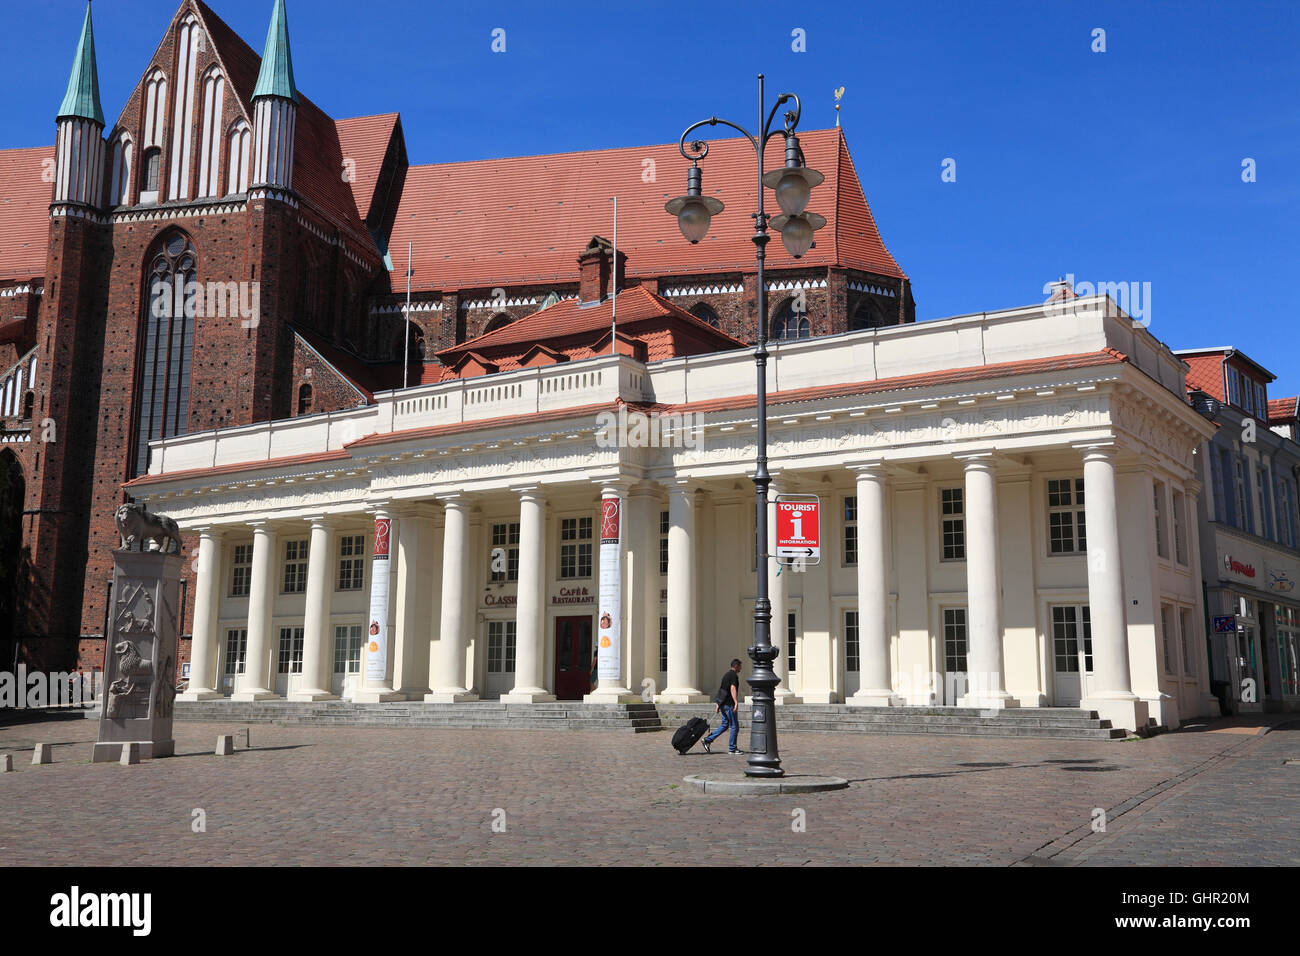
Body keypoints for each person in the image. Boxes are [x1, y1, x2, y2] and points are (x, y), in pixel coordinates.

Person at [702, 659, 743, 754]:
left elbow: (722, 690)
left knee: (725, 725)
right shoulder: (733, 675)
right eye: (740, 666)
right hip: (729, 705)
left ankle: (708, 740)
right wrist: (736, 702)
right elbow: (732, 688)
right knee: (734, 726)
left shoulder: (726, 675)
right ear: (736, 666)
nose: (741, 668)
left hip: (723, 704)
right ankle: (732, 749)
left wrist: (718, 704)